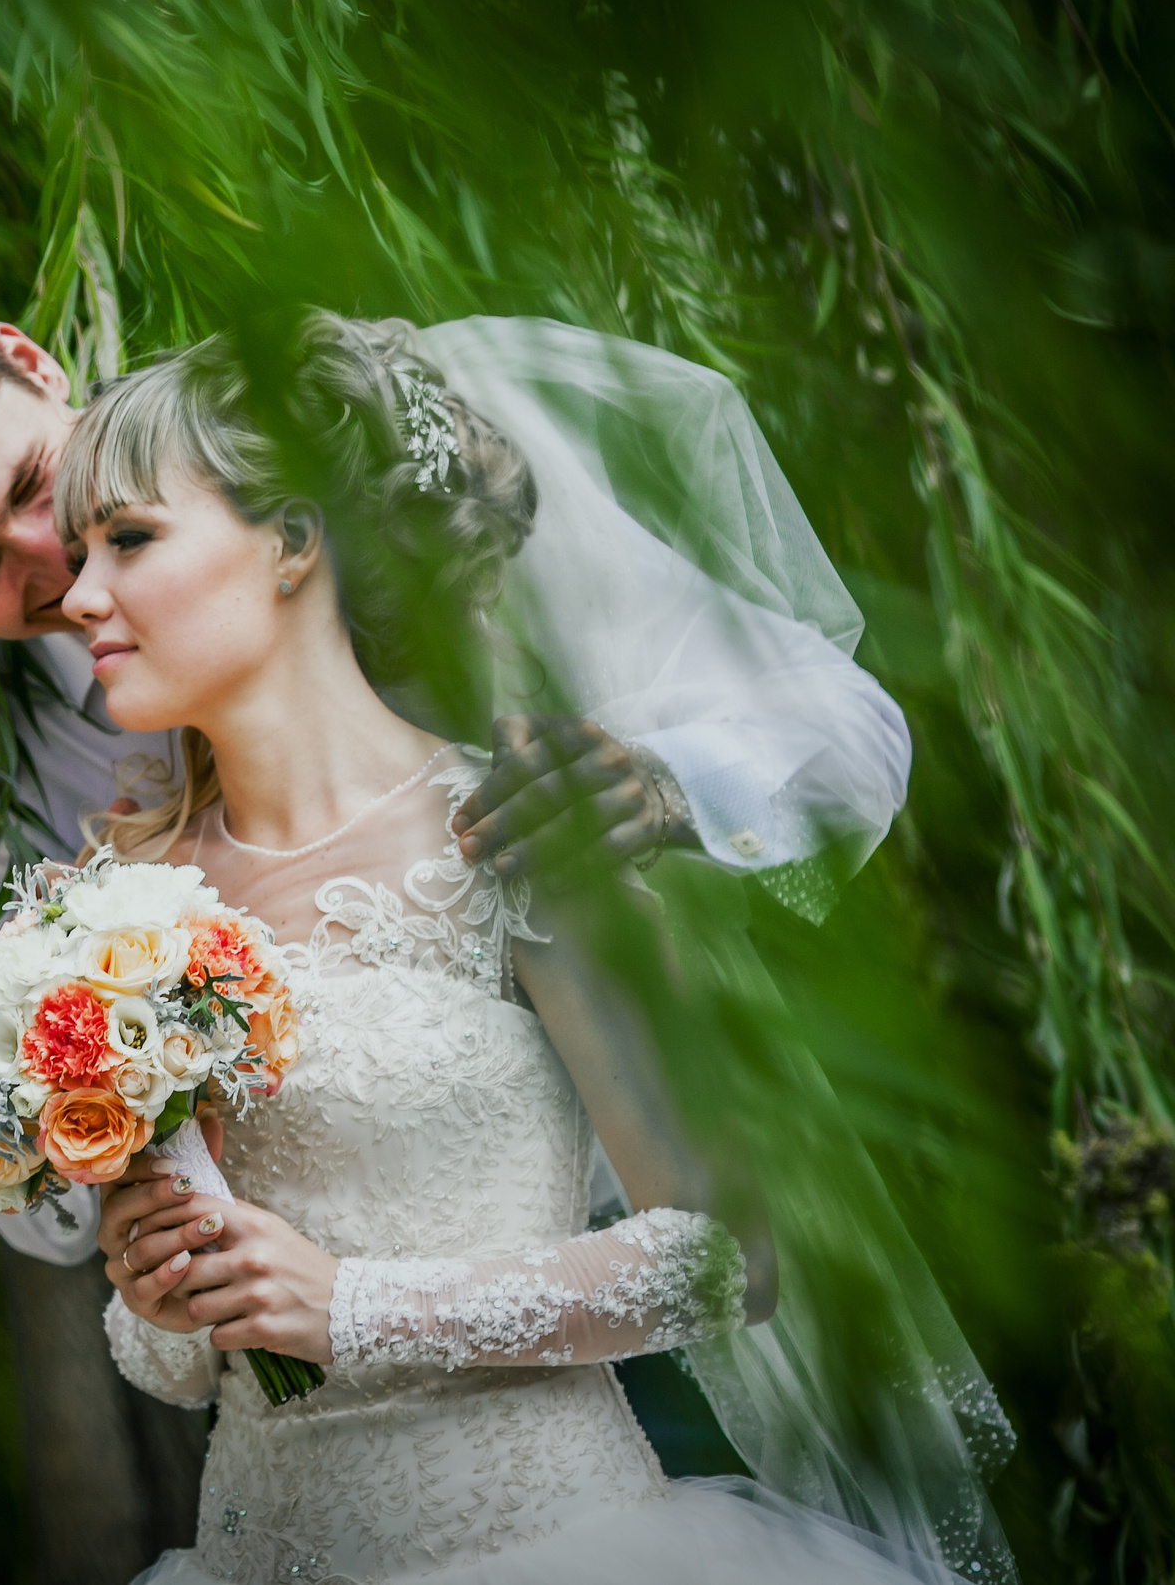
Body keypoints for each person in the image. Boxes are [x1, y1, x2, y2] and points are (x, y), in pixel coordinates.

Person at [56, 320, 995, 1583]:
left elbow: (729, 1259)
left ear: (289, 542)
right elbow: (182, 1348)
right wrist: (160, 1296)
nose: (75, 596)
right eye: (77, 553)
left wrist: (355, 1309)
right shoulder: (115, 905)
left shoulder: (509, 831)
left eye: (127, 538)